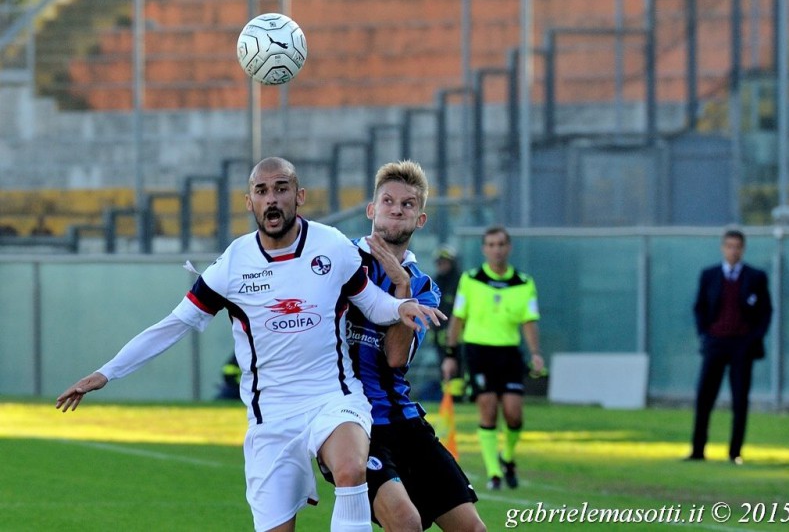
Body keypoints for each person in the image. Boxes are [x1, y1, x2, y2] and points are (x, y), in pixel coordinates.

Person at [56, 156, 445, 532]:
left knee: (350, 468)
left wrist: (401, 305)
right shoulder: (232, 264)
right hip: (271, 416)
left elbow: (373, 304)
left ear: (299, 196)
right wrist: (107, 372)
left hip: (333, 396)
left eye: (281, 189)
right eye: (261, 190)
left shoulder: (332, 246)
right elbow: (173, 325)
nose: (271, 198)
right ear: (250, 202)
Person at [330, 160, 485, 531]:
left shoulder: (423, 287)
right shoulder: (337, 261)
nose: (397, 209)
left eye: (408, 204)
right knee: (406, 522)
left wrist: (401, 289)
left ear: (421, 219)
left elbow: (396, 357)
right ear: (372, 209)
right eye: (388, 201)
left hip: (403, 418)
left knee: (473, 529)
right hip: (351, 421)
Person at [442, 225, 544, 491]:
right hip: (478, 352)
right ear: (484, 249)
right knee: (487, 407)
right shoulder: (471, 279)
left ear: (508, 247)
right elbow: (458, 318)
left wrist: (535, 353)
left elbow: (529, 321)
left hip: (509, 353)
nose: (496, 250)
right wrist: (451, 354)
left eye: (501, 244)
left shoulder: (523, 282)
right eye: (491, 245)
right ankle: (494, 473)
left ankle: (507, 457)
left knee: (513, 414)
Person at [687, 228, 772, 465]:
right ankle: (697, 450)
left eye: (737, 246)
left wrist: (754, 338)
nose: (733, 251)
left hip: (742, 346)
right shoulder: (710, 275)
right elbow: (700, 307)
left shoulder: (755, 277)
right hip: (715, 343)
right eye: (729, 246)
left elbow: (765, 311)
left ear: (742, 249)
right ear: (723, 247)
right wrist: (704, 335)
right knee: (705, 396)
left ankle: (735, 452)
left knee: (739, 399)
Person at [432, 245, 466, 401]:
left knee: (460, 366)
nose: (442, 266)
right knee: (443, 367)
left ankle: (460, 397)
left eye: (445, 262)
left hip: (460, 336)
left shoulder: (460, 282)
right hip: (440, 336)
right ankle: (448, 398)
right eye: (439, 263)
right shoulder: (435, 283)